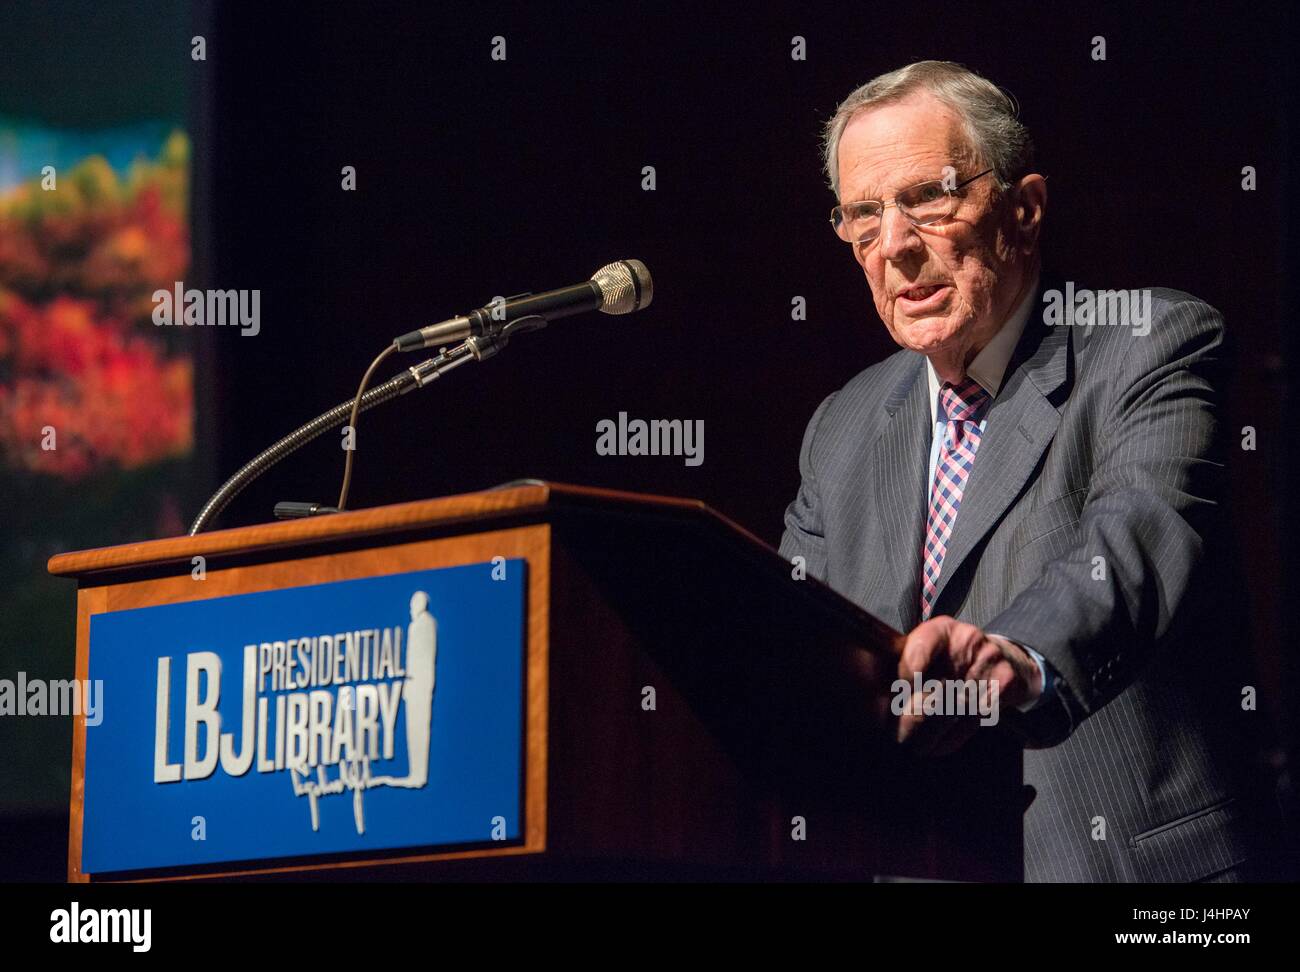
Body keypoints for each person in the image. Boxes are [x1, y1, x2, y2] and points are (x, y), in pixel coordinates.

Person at [780, 60, 1273, 881]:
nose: (895, 247)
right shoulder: (843, 426)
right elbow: (796, 647)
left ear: (1025, 209)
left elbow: (1135, 545)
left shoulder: (1151, 343)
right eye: (864, 216)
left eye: (929, 199)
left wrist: (1013, 656)